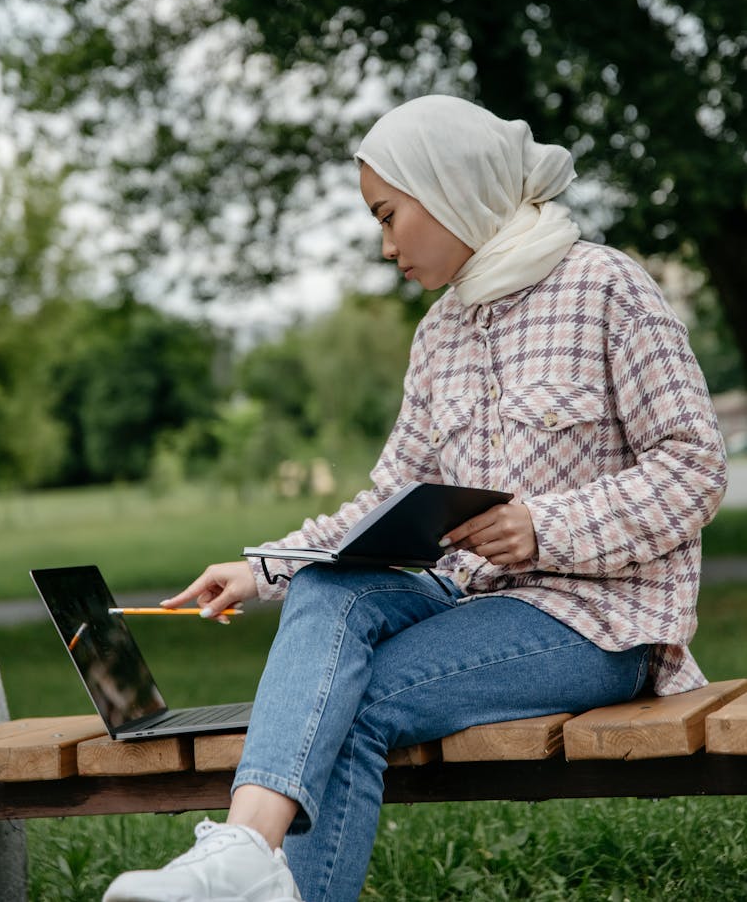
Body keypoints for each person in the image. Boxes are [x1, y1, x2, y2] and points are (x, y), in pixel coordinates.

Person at [103, 95, 727, 902]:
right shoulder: (440, 332)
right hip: (472, 601)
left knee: (350, 703)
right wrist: (260, 570)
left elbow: (694, 465)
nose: (386, 243)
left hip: (600, 620)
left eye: (391, 215)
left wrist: (546, 527)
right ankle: (248, 852)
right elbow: (386, 499)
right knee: (329, 586)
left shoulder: (606, 285)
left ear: (452, 187)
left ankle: (250, 868)